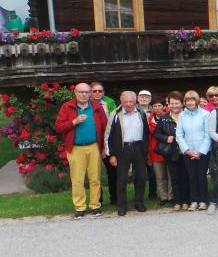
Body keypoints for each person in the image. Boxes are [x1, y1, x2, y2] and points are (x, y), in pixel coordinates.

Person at [55, 82, 108, 219]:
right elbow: (58, 127)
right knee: (77, 180)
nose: (84, 94)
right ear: (75, 93)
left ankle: (95, 206)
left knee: (95, 178)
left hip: (94, 146)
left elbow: (105, 127)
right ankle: (80, 207)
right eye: (81, 92)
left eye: (86, 92)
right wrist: (74, 122)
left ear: (90, 93)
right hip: (75, 148)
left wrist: (104, 147)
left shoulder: (96, 107)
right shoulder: (67, 107)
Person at [105, 91, 150, 216]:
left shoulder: (141, 112)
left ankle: (139, 202)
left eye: (131, 101)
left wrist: (146, 149)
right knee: (122, 179)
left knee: (141, 177)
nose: (129, 104)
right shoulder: (115, 114)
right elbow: (108, 135)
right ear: (121, 101)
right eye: (126, 102)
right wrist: (111, 154)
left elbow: (146, 132)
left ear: (135, 101)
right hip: (122, 149)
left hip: (139, 148)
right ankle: (122, 205)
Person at [176, 90, 211, 211]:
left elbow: (208, 134)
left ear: (196, 101)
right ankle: (194, 201)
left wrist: (201, 151)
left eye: (192, 100)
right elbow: (179, 135)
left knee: (201, 176)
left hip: (203, 152)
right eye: (187, 100)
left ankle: (203, 201)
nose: (190, 103)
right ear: (185, 102)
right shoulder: (182, 115)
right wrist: (187, 150)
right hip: (188, 152)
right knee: (192, 177)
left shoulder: (205, 114)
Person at [154, 91, 188, 211]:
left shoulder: (188, 116)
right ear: (168, 104)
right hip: (172, 152)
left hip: (187, 152)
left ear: (182, 103)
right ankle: (177, 201)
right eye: (172, 103)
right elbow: (156, 134)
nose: (174, 106)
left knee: (186, 177)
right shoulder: (164, 118)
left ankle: (186, 201)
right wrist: (165, 138)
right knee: (175, 178)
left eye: (177, 103)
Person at [147, 100, 172, 206]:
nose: (157, 108)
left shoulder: (169, 117)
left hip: (169, 150)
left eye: (159, 105)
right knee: (160, 176)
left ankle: (171, 196)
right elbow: (147, 138)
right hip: (155, 151)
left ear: (164, 107)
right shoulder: (149, 120)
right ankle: (163, 197)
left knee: (170, 175)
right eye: (155, 106)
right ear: (152, 108)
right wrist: (148, 154)